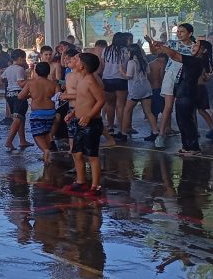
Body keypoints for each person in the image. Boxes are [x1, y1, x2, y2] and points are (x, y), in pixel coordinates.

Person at [150, 37, 212, 156]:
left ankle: (194, 148)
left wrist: (162, 47)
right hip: (182, 92)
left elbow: (174, 55)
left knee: (187, 121)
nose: (193, 47)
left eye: (197, 46)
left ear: (203, 50)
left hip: (188, 93)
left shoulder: (196, 61)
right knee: (181, 120)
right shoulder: (194, 60)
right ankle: (186, 146)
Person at [65, 53, 105, 196]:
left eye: (76, 59)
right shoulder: (81, 79)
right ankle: (80, 181)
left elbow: (100, 100)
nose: (73, 60)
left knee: (92, 156)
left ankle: (95, 186)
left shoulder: (90, 80)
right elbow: (83, 101)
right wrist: (73, 113)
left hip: (91, 123)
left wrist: (88, 115)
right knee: (77, 153)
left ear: (81, 66)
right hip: (79, 121)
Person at [156, 23, 196, 148]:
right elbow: (156, 51)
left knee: (187, 106)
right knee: (168, 106)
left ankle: (192, 132)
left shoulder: (194, 47)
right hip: (171, 76)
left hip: (186, 78)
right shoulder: (172, 43)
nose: (179, 33)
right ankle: (161, 134)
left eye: (182, 31)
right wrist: (155, 46)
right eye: (178, 31)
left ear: (190, 34)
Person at [20, 61, 57, 164]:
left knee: (37, 135)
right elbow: (58, 97)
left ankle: (45, 150)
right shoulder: (53, 84)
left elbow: (20, 96)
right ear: (48, 72)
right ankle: (46, 152)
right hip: (50, 112)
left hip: (37, 113)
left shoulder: (31, 83)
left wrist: (31, 95)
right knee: (46, 133)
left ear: (36, 72)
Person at [123, 44, 159, 141]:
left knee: (127, 110)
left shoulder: (131, 62)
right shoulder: (143, 60)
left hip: (135, 89)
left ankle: (123, 132)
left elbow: (128, 76)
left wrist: (121, 71)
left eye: (128, 52)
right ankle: (155, 132)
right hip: (146, 87)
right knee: (148, 111)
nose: (127, 53)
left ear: (131, 52)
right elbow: (148, 72)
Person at [101, 33, 131, 141]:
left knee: (110, 104)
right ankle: (121, 128)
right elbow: (127, 64)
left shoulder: (106, 50)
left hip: (107, 78)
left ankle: (110, 127)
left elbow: (103, 63)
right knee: (120, 105)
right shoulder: (125, 50)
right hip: (120, 79)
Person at [2, 49, 29, 152]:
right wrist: (31, 82)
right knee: (18, 119)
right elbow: (21, 83)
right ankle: (9, 141)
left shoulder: (8, 68)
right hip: (18, 94)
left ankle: (22, 140)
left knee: (19, 117)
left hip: (9, 95)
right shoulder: (20, 69)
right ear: (21, 58)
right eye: (24, 59)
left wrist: (10, 81)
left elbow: (2, 78)